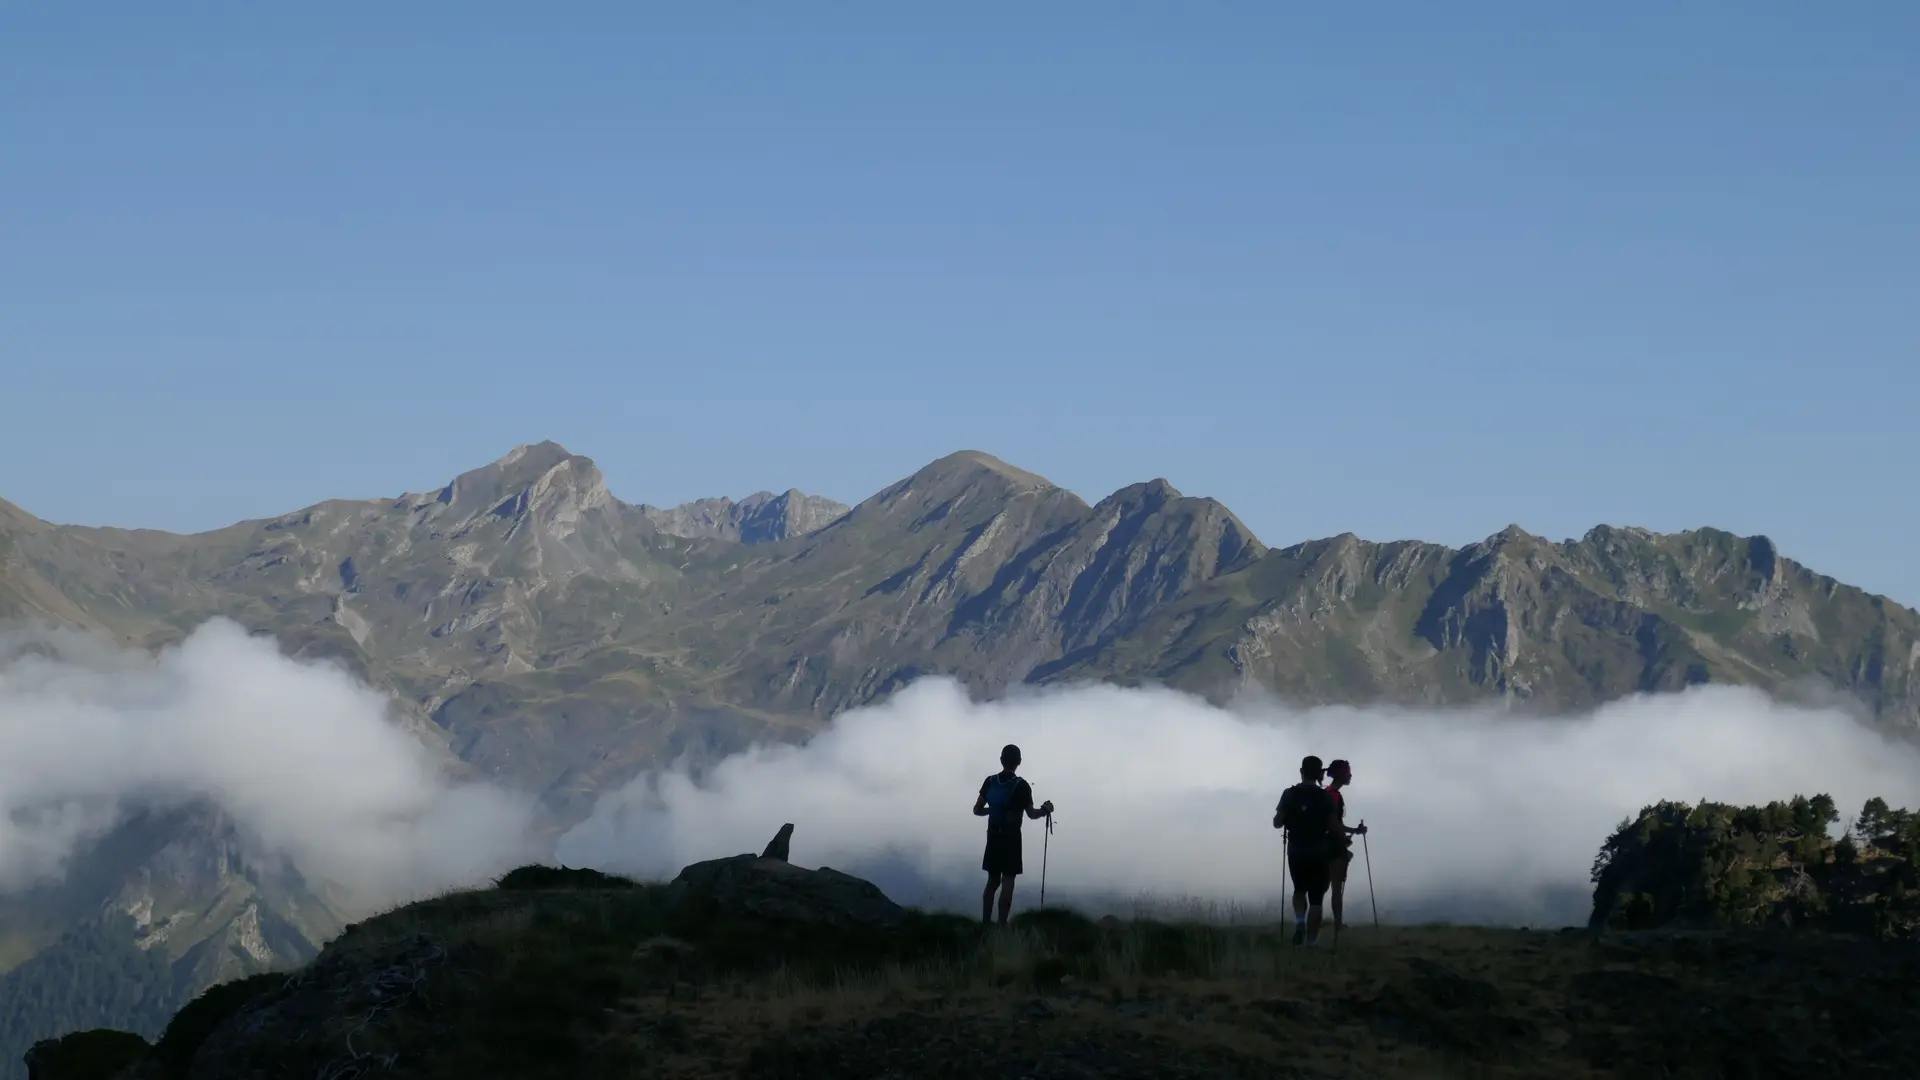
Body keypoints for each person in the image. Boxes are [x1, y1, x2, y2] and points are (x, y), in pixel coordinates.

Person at [972, 743, 1054, 925]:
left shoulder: (990, 781)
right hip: (1012, 839)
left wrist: (993, 810)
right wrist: (1045, 810)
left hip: (993, 836)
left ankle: (985, 923)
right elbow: (1032, 814)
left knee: (992, 881)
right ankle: (1002, 926)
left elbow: (976, 810)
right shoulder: (1023, 786)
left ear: (1001, 760)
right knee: (1008, 881)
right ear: (1019, 762)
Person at [1273, 754, 1340, 946]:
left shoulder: (1289, 794)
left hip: (1295, 850)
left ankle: (1300, 923)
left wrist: (1287, 819)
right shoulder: (1326, 797)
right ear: (1320, 773)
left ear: (1302, 772)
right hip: (1319, 851)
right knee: (1317, 899)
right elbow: (1334, 828)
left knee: (1299, 889)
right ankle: (1311, 943)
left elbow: (1277, 823)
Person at [1324, 759, 1368, 932]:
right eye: (1348, 772)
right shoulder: (1334, 795)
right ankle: (1337, 923)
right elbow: (1334, 824)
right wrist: (1355, 831)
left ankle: (1316, 921)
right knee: (1336, 887)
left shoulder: (1325, 793)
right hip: (1334, 847)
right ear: (1341, 774)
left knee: (1322, 887)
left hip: (1322, 844)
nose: (1350, 775)